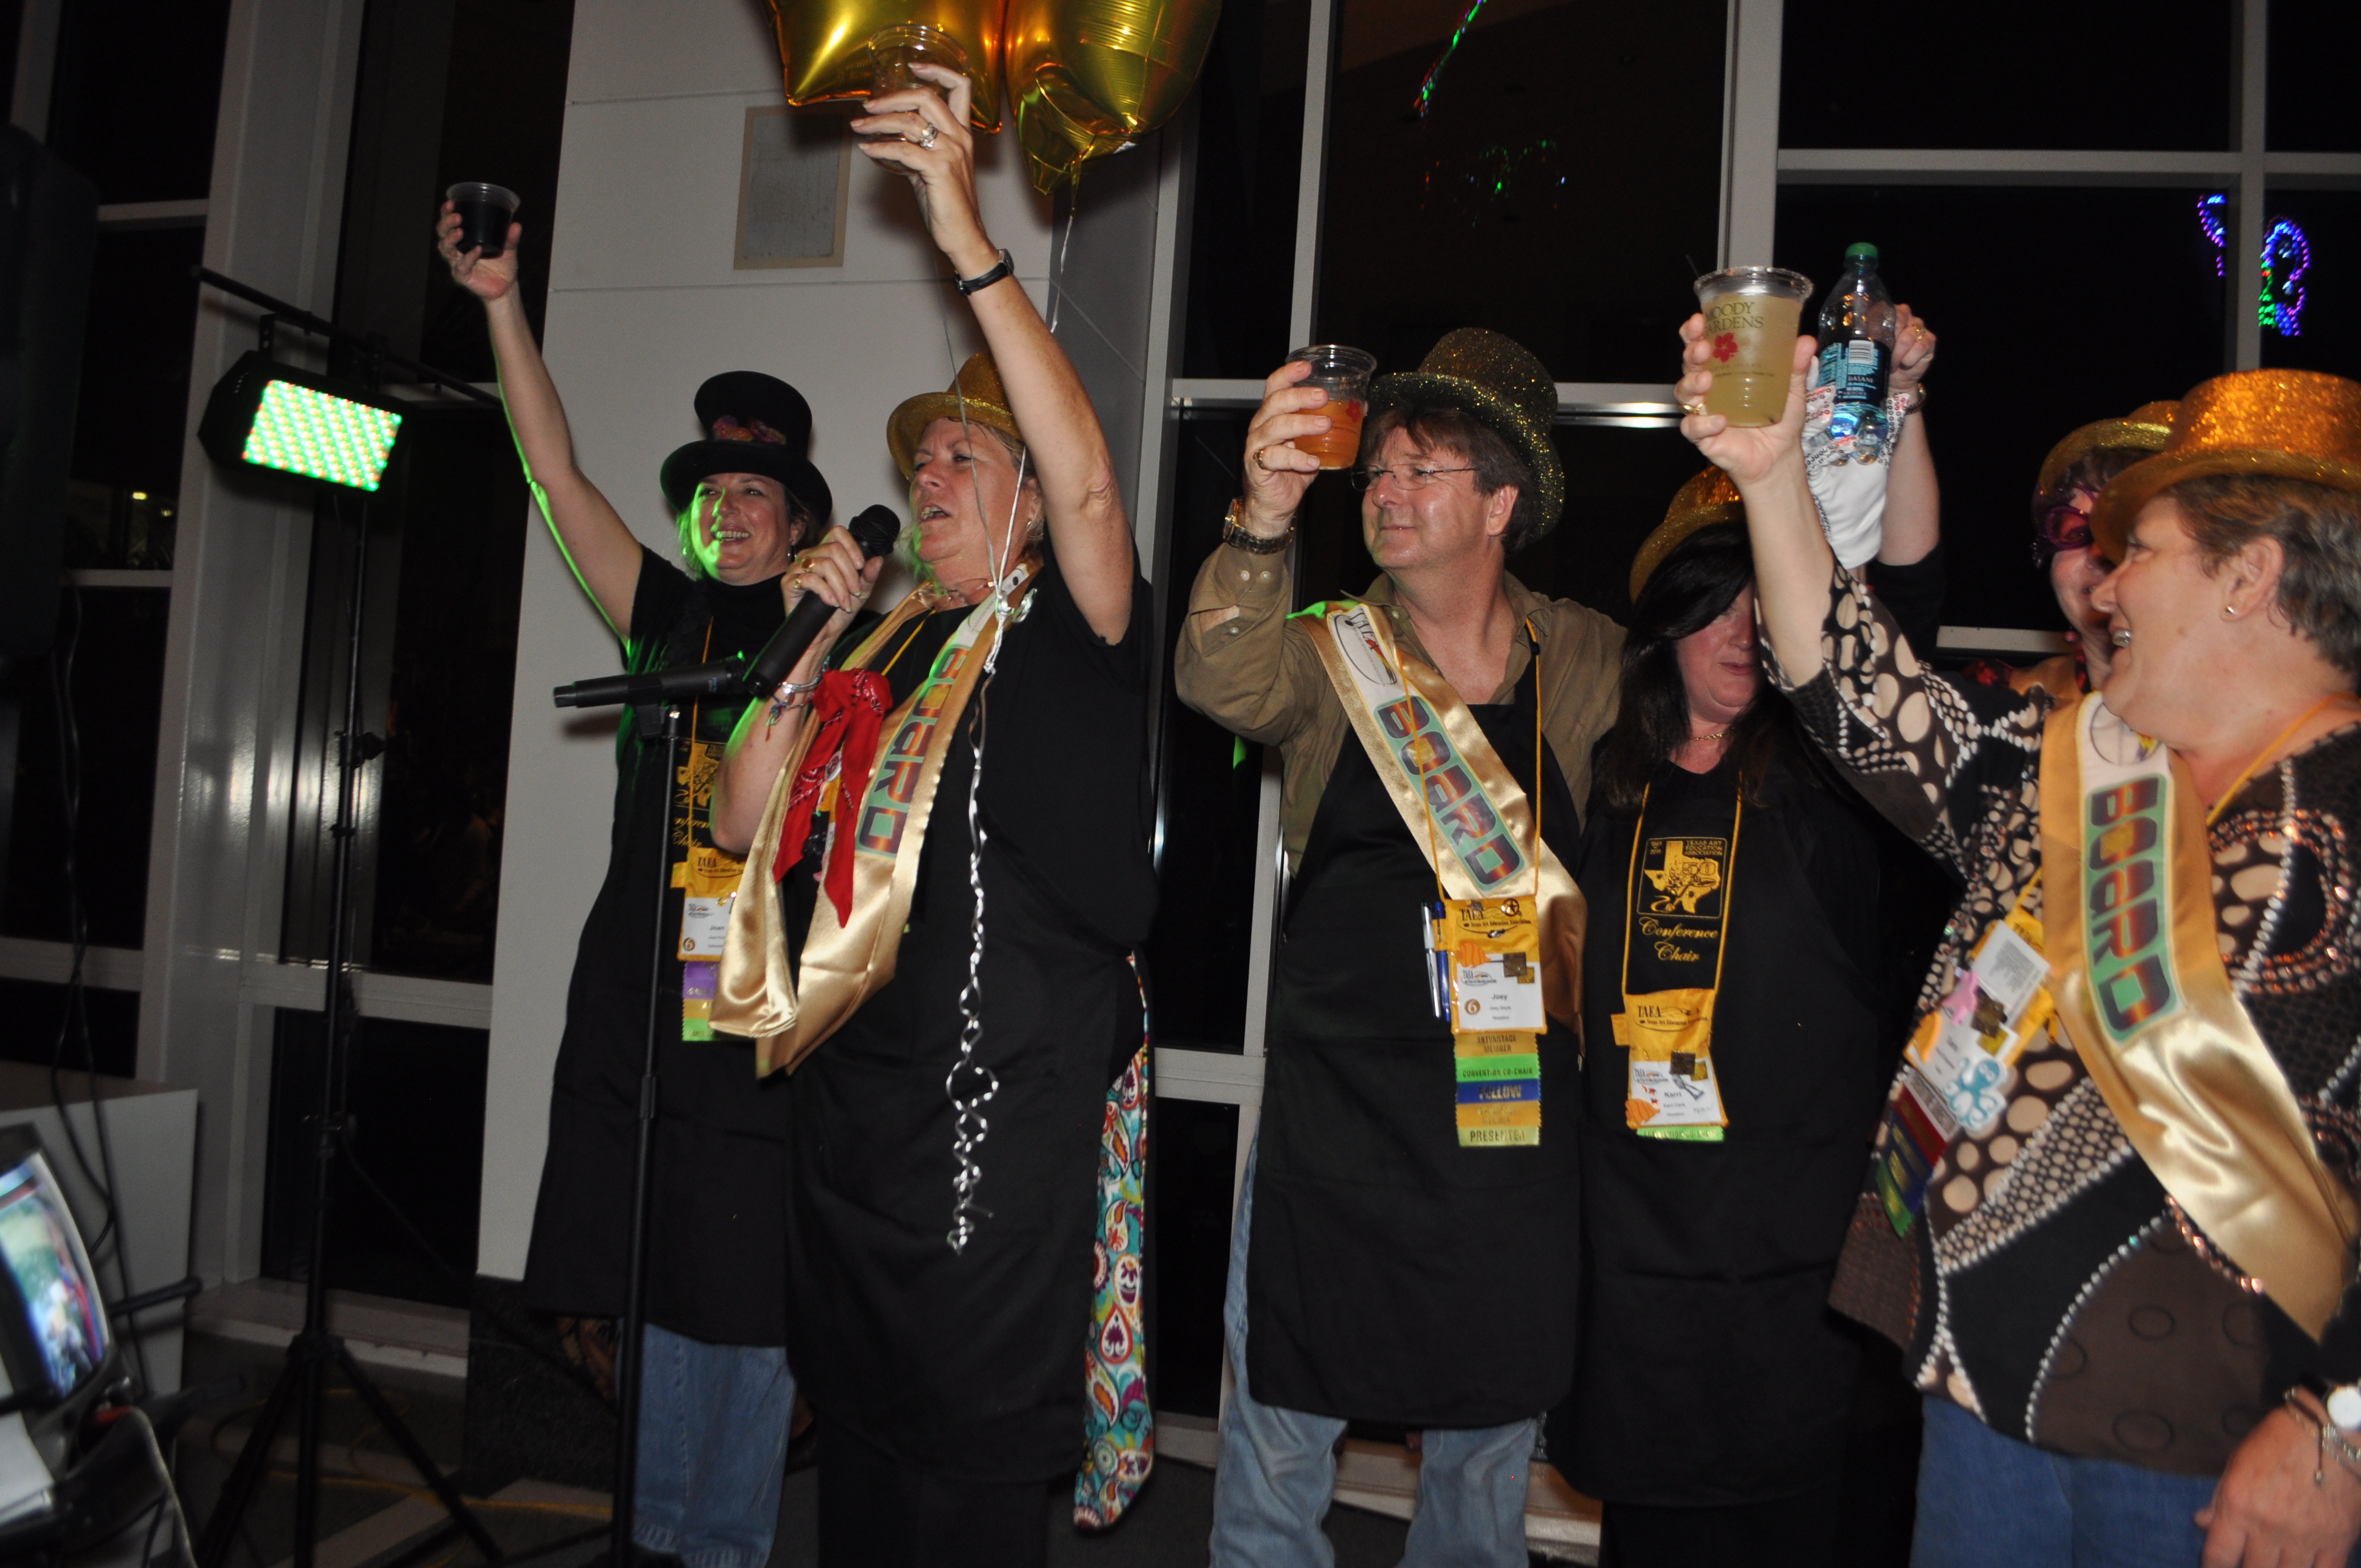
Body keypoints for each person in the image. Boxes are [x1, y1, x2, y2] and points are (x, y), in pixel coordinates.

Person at [1682, 309, 2361, 1567]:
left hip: (2222, 1457)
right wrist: (1770, 479)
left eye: (2136, 549)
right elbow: (1859, 698)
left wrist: (2343, 1421)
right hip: (1981, 1395)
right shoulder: (2085, 764)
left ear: (2247, 575)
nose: (2100, 586)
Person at [704, 61, 1154, 1568]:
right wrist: (809, 642)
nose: (930, 471)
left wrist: (963, 230)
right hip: (853, 1138)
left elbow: (1094, 493)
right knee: (863, 1490)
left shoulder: (1070, 629)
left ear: (1026, 498)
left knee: (962, 1498)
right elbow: (741, 816)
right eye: (920, 458)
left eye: (967, 453)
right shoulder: (883, 650)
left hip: (993, 1143)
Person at [1172, 326, 1615, 1567]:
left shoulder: (1582, 657)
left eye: (1421, 470)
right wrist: (1264, 518)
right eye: (1377, 471)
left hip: (1504, 1117)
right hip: (1338, 1115)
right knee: (1278, 1427)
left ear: (1500, 505)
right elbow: (1219, 681)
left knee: (1483, 1444)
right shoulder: (1329, 649)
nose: (1382, 491)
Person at [437, 202, 831, 1568]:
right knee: (649, 1249)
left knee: (749, 1260)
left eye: (755, 493)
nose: (727, 509)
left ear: (799, 521)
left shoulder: (841, 637)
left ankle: (726, 1533)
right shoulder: (664, 613)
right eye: (711, 492)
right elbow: (552, 468)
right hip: (639, 978)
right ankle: (660, 1529)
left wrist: (835, 613)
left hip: (754, 988)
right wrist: (502, 302)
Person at [1555, 481, 1933, 1567]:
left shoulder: (1833, 783)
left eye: (1761, 605)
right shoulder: (1608, 783)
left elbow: (1906, 613)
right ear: (1664, 626)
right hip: (1636, 1249)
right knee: (1649, 1536)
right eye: (1712, 606)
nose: (1738, 632)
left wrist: (1902, 416)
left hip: (1789, 1264)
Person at [2005, 403, 2177, 701]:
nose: (2099, 552)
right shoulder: (2000, 703)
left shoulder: (2254, 718)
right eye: (2076, 532)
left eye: (2126, 535)